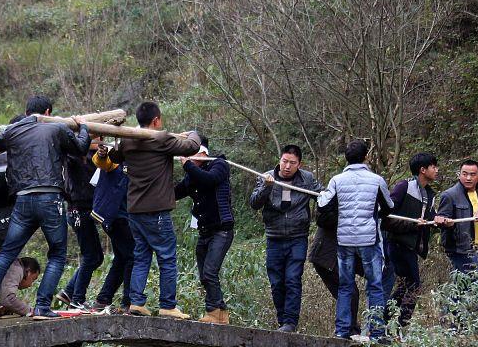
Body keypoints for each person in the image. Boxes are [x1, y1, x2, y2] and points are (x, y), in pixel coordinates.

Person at [0, 96, 90, 323]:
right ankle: (42, 307)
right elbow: (81, 147)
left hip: (23, 200)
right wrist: (83, 125)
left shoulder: (12, 131)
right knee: (57, 254)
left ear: (26, 112)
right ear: (48, 111)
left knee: (6, 254)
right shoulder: (57, 128)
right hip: (50, 199)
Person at [105, 102, 201, 319]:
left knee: (141, 255)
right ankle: (168, 305)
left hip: (134, 209)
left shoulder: (128, 140)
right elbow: (191, 147)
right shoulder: (161, 138)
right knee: (167, 256)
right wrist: (194, 133)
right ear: (156, 120)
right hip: (156, 210)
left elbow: (115, 157)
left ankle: (137, 302)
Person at [317, 139, 393, 342]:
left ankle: (342, 331)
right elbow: (388, 206)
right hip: (368, 239)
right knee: (375, 285)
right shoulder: (377, 180)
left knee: (345, 285)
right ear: (366, 156)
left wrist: (322, 196)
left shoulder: (336, 180)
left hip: (345, 239)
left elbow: (324, 204)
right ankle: (376, 333)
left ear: (346, 158)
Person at [249, 144, 322, 332]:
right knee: (276, 282)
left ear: (299, 164)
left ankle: (290, 322)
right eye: (284, 161)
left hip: (298, 237)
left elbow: (323, 196)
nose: (287, 166)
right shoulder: (266, 176)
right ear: (279, 160)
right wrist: (267, 187)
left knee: (292, 279)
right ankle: (282, 320)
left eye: (292, 163)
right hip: (274, 237)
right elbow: (254, 203)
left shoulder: (307, 179)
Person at [175, 135, 235, 324]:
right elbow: (175, 192)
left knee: (210, 271)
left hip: (222, 230)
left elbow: (209, 180)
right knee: (204, 274)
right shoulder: (191, 176)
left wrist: (188, 165)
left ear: (202, 153)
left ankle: (213, 311)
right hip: (205, 230)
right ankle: (221, 313)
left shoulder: (219, 165)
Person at [379, 152, 439, 329]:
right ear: (422, 170)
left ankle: (383, 322)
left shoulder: (430, 194)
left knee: (405, 285)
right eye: (433, 167)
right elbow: (387, 217)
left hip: (412, 246)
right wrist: (413, 226)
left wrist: (440, 220)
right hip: (397, 244)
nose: (436, 170)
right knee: (414, 284)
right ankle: (400, 325)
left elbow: (430, 217)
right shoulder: (404, 187)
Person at [57, 138, 104, 309]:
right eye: (97, 137)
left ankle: (68, 292)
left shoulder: (95, 155)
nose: (100, 140)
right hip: (79, 211)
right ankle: (77, 299)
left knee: (97, 257)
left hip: (86, 211)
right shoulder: (73, 157)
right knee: (91, 256)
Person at [90, 146, 134, 313]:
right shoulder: (117, 157)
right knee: (132, 256)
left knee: (122, 258)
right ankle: (128, 302)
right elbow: (103, 162)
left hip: (118, 215)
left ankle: (103, 299)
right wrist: (101, 154)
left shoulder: (135, 161)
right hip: (115, 216)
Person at [437, 159, 478, 275]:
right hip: (460, 250)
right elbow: (441, 220)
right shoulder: (449, 195)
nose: (468, 178)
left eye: (472, 175)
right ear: (459, 175)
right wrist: (446, 223)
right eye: (465, 174)